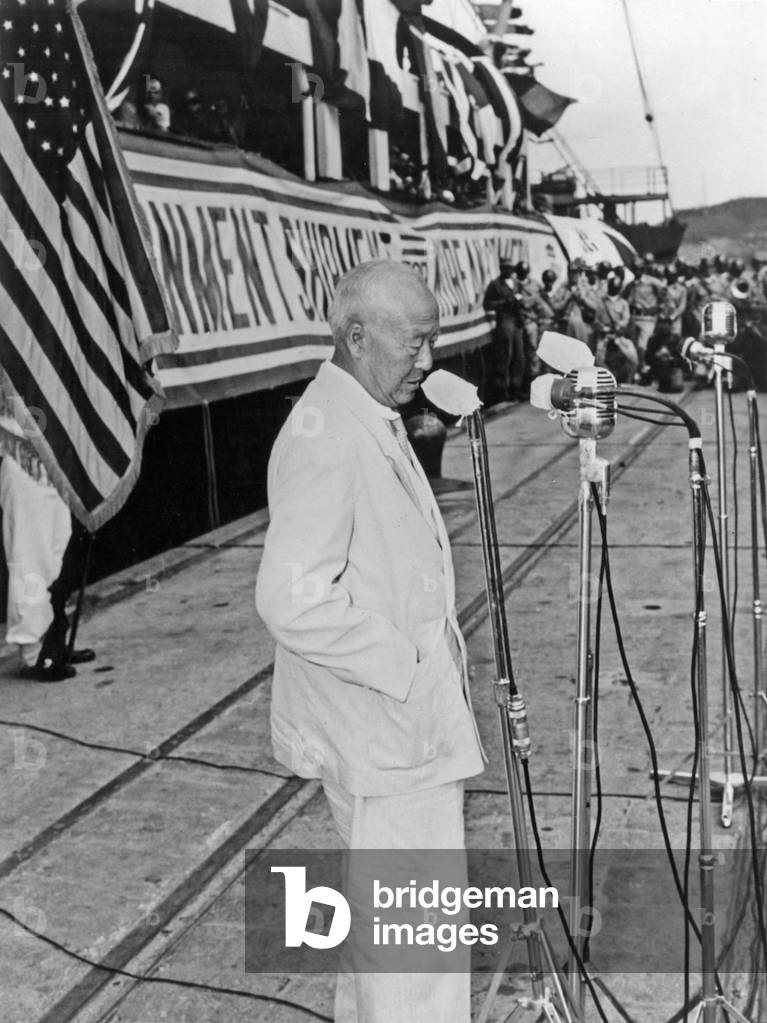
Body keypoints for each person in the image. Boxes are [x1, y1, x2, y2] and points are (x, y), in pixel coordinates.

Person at [255, 261, 485, 1022]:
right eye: (415, 342)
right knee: (416, 948)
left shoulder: (359, 414)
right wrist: (406, 665)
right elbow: (291, 600)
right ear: (356, 335)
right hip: (384, 728)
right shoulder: (326, 433)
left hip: (389, 727)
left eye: (432, 341)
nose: (427, 361)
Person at [0, 413, 93, 681]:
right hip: (23, 458)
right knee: (29, 557)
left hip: (54, 461)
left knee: (56, 556)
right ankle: (32, 653)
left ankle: (54, 642)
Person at [483, 258, 527, 403]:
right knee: (505, 355)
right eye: (505, 268)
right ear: (501, 269)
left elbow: (523, 299)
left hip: (516, 320)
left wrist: (520, 303)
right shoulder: (495, 284)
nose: (508, 270)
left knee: (519, 355)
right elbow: (487, 304)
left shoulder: (516, 283)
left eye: (510, 268)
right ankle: (503, 390)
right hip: (505, 319)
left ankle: (516, 387)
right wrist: (504, 302)